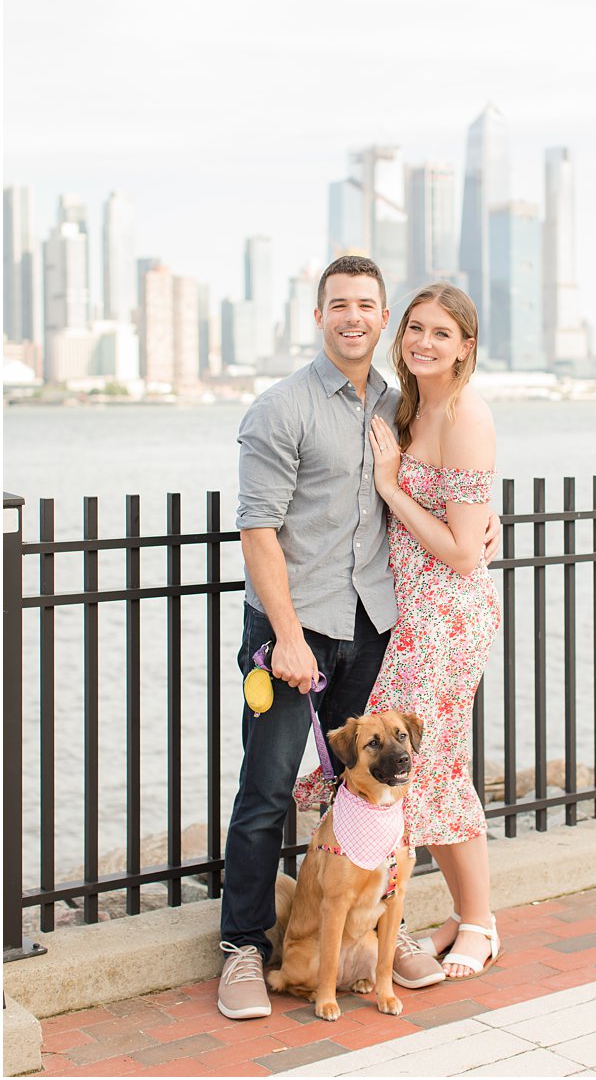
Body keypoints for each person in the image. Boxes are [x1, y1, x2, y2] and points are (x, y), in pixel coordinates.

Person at [218, 258, 497, 1019]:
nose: (353, 317)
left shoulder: (394, 403)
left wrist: (479, 532)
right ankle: (243, 943)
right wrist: (285, 636)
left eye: (367, 305)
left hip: (371, 628)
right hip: (296, 632)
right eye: (338, 304)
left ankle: (378, 929)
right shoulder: (281, 409)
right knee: (269, 788)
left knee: (363, 789)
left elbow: (446, 494)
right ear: (319, 316)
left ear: (382, 321)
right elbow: (258, 533)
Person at [294, 282, 502, 978]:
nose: (423, 342)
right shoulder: (410, 404)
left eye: (441, 333)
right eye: (415, 328)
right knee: (420, 770)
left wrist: (391, 487)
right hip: (407, 614)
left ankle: (480, 922)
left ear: (466, 346)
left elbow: (465, 550)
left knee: (435, 768)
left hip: (444, 619)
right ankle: (439, 917)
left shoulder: (467, 416)